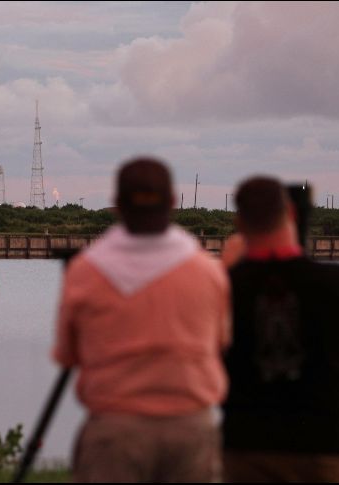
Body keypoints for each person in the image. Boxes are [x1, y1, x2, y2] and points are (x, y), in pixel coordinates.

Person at [53, 156, 230, 482]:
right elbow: (221, 343)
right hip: (191, 430)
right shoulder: (208, 271)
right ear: (173, 201)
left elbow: (67, 355)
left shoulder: (86, 271)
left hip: (116, 431)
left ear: (118, 204)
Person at [222, 176, 339, 482]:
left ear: (239, 222)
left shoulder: (226, 284)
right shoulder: (334, 280)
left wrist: (229, 268)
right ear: (292, 215)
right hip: (325, 446)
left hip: (246, 444)